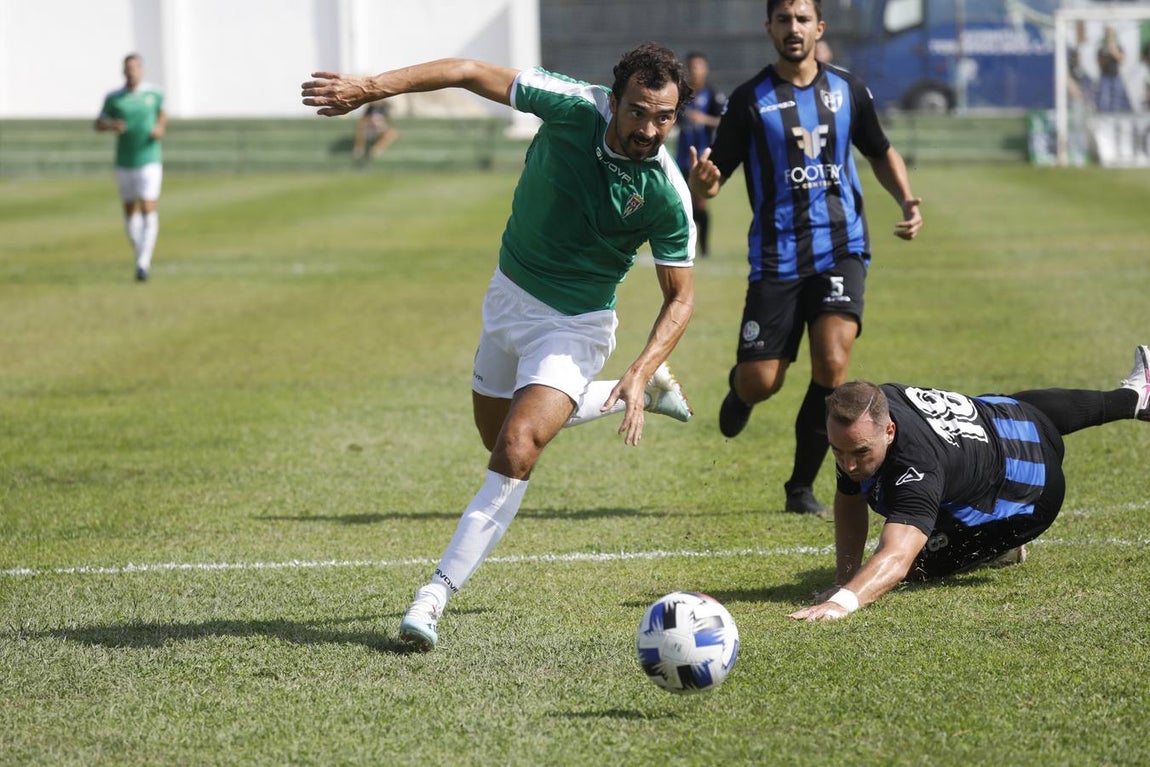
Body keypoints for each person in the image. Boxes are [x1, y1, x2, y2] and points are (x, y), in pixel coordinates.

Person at [301, 43, 697, 651]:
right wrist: (370, 88)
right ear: (613, 101)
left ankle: (432, 597)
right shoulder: (573, 106)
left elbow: (680, 298)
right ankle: (618, 396)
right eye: (637, 112)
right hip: (508, 296)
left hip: (576, 324)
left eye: (663, 117)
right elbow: (466, 71)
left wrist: (642, 366)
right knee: (496, 434)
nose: (648, 129)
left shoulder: (666, 192)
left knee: (516, 448)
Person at [689, 0, 923, 514]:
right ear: (769, 28)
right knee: (761, 381)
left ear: (819, 26)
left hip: (842, 246)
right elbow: (716, 173)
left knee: (833, 364)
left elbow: (880, 150)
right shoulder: (749, 99)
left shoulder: (848, 90)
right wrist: (703, 180)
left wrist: (906, 199)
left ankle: (800, 488)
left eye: (801, 19)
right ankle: (741, 392)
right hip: (776, 255)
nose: (793, 28)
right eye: (783, 19)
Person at [788, 345, 1150, 621]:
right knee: (1018, 410)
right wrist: (844, 576)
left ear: (890, 431)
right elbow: (849, 494)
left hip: (1031, 491)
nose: (849, 463)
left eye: (860, 452)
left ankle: (1001, 546)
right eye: (838, 450)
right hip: (1014, 417)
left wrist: (843, 601)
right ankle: (1133, 398)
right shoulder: (871, 411)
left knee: (916, 566)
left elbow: (896, 557)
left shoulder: (916, 467)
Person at [95, 53, 167, 282]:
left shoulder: (154, 93)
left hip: (149, 158)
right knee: (130, 209)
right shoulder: (114, 98)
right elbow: (99, 123)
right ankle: (140, 255)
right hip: (125, 160)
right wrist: (111, 126)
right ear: (123, 71)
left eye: (135, 68)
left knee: (148, 206)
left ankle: (144, 262)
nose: (132, 72)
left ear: (141, 70)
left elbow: (162, 114)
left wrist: (160, 128)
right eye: (128, 68)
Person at [674, 52, 725, 258]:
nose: (695, 71)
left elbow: (723, 121)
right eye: (691, 67)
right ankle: (684, 247)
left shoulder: (712, 94)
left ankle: (703, 248)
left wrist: (704, 119)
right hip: (681, 158)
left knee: (700, 203)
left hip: (703, 159)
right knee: (681, 203)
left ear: (705, 69)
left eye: (699, 66)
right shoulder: (680, 95)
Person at [1095, 26, 1131, 113]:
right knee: (1104, 97)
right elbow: (1099, 63)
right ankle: (1103, 113)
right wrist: (1106, 55)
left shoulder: (1118, 47)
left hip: (1115, 75)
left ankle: (1116, 112)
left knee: (1118, 96)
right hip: (1105, 76)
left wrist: (1113, 51)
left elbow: (1121, 59)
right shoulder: (1101, 48)